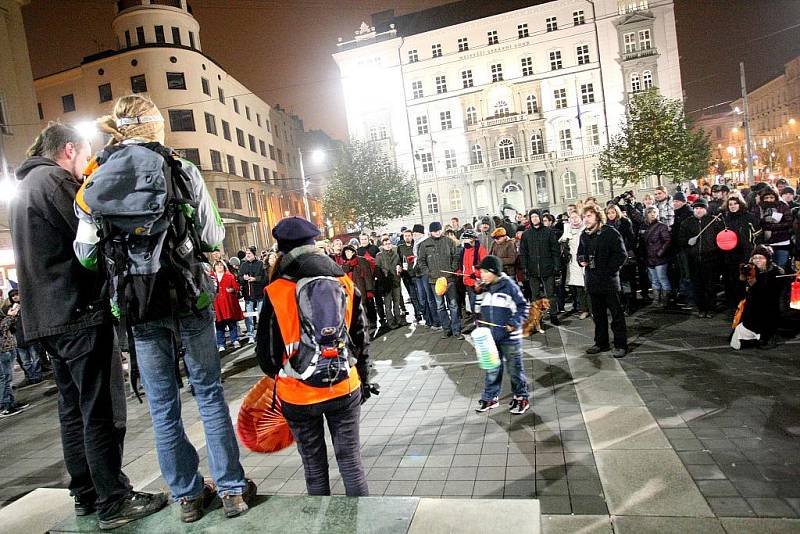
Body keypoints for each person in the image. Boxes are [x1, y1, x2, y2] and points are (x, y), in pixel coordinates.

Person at [74, 96, 253, 523]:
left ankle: (187, 496)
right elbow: (211, 236)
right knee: (208, 393)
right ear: (155, 128)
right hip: (189, 296)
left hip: (138, 306)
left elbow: (85, 254)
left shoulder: (95, 179)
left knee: (161, 404)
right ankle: (231, 490)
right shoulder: (181, 169)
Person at [10, 121, 167, 528]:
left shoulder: (25, 186)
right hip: (78, 312)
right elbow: (88, 237)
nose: (83, 167)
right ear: (67, 150)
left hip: (47, 318)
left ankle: (86, 494)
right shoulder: (56, 182)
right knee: (101, 410)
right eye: (82, 157)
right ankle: (114, 500)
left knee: (72, 410)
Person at [256, 216, 371, 497]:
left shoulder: (277, 290)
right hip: (344, 385)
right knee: (351, 463)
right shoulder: (343, 280)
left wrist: (288, 371)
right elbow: (362, 337)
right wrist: (364, 379)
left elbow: (266, 355)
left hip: (298, 394)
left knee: (314, 467)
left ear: (282, 250)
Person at [474, 255, 530, 415]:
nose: (481, 275)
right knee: (492, 367)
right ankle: (490, 397)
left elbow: (523, 307)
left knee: (514, 369)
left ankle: (521, 397)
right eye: (481, 272)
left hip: (509, 337)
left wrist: (513, 323)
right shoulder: (485, 287)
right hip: (491, 337)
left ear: (494, 272)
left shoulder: (509, 286)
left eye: (485, 272)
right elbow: (480, 309)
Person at [578, 205, 628, 358]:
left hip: (608, 281)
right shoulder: (584, 235)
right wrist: (581, 261)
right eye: (584, 217)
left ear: (597, 216)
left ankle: (620, 344)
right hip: (593, 281)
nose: (586, 219)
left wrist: (609, 271)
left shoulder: (610, 232)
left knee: (616, 315)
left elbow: (621, 255)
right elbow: (580, 254)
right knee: (598, 316)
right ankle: (601, 343)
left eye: (589, 216)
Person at [731, 245, 785, 349]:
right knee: (737, 342)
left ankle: (769, 336)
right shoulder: (751, 270)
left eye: (761, 258)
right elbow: (742, 291)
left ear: (767, 259)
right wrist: (743, 278)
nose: (757, 260)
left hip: (769, 309)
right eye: (755, 258)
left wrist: (754, 283)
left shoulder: (775, 272)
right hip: (753, 310)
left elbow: (769, 293)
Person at [678, 198, 724, 318]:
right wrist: (688, 241)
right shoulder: (687, 223)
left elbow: (721, 240)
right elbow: (681, 240)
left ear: (706, 209)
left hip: (710, 259)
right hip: (694, 259)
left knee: (710, 285)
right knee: (697, 286)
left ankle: (711, 308)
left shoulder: (714, 221)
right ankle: (701, 308)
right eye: (696, 208)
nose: (698, 210)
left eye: (701, 208)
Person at [419, 221, 463, 339]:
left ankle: (456, 330)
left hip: (449, 279)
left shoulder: (449, 242)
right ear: (430, 232)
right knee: (440, 306)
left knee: (453, 305)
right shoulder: (424, 244)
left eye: (439, 230)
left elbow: (456, 257)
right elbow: (421, 261)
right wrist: (429, 273)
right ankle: (446, 329)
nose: (437, 232)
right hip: (435, 281)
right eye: (435, 231)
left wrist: (452, 268)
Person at [520, 209, 561, 326]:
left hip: (547, 268)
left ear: (540, 217)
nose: (534, 219)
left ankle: (553, 315)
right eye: (532, 217)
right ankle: (537, 317)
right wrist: (525, 268)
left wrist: (556, 265)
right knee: (535, 295)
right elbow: (523, 253)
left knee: (551, 294)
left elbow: (555, 250)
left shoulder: (548, 232)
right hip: (532, 270)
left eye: (536, 216)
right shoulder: (526, 234)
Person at [722, 195, 760, 309]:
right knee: (731, 280)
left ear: (740, 204)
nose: (733, 206)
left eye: (735, 204)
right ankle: (733, 306)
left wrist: (753, 249)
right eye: (730, 204)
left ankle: (745, 305)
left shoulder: (749, 217)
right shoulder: (726, 219)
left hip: (745, 253)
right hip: (729, 254)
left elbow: (757, 234)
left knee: (743, 280)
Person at [5, 289, 43, 384]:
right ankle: (31, 376)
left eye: (16, 294)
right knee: (25, 361)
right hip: (19, 338)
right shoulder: (10, 309)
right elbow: (8, 324)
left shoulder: (27, 305)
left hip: (31, 336)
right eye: (13, 296)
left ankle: (37, 376)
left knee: (36, 358)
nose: (15, 297)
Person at [752, 187, 793, 270]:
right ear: (762, 198)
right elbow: (754, 223)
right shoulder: (757, 207)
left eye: (771, 197)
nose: (769, 200)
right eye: (766, 198)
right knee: (765, 269)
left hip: (782, 242)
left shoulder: (782, 206)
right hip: (764, 243)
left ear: (775, 197)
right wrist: (764, 220)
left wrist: (770, 227)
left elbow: (789, 222)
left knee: (780, 268)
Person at [0, 301, 29, 417]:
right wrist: (11, 316)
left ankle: (10, 403)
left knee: (7, 378)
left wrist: (13, 315)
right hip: (2, 349)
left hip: (7, 346)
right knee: (3, 379)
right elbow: (2, 327)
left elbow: (8, 327)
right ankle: (4, 406)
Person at [559, 212, 589, 319]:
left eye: (576, 217)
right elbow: (561, 242)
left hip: (585, 259)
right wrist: (564, 240)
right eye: (572, 218)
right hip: (573, 262)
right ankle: (584, 309)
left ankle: (593, 309)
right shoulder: (568, 230)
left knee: (588, 285)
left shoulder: (585, 228)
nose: (574, 219)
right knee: (578, 286)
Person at [341, 245, 377, 333]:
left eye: (349, 251)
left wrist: (369, 290)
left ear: (353, 252)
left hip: (362, 288)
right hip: (350, 290)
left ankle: (368, 323)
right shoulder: (345, 265)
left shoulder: (361, 260)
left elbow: (367, 275)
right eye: (346, 252)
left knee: (364, 306)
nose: (348, 254)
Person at [641, 207, 673, 306]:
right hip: (650, 258)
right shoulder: (645, 227)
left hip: (660, 258)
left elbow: (667, 240)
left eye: (654, 212)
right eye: (650, 212)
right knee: (654, 280)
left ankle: (665, 300)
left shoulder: (661, 226)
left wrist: (660, 253)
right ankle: (656, 300)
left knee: (662, 278)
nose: (652, 214)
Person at [411, 224, 439, 329]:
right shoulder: (416, 244)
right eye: (413, 233)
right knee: (422, 298)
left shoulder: (426, 243)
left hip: (425, 274)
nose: (414, 235)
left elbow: (426, 259)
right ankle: (428, 320)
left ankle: (436, 321)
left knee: (429, 297)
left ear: (422, 233)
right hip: (418, 273)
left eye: (416, 233)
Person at [213, 261, 244, 352]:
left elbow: (237, 288)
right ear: (214, 267)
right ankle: (221, 343)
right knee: (219, 324)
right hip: (217, 304)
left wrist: (232, 289)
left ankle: (235, 340)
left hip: (229, 303)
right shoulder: (211, 277)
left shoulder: (229, 276)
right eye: (217, 265)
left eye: (221, 265)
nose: (219, 267)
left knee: (232, 323)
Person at [375, 237, 405, 331]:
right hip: (386, 283)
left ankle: (398, 320)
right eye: (386, 244)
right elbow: (377, 269)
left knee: (397, 303)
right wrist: (382, 280)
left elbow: (399, 264)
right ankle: (391, 323)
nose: (388, 245)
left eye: (389, 243)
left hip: (396, 281)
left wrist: (400, 269)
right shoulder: (379, 255)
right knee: (388, 305)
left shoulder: (395, 254)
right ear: (382, 246)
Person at [239, 247, 267, 342]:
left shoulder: (260, 264)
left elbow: (264, 278)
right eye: (246, 254)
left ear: (254, 254)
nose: (247, 255)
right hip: (248, 294)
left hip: (259, 293)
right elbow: (239, 278)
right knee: (249, 316)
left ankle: (262, 333)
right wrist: (243, 278)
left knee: (261, 314)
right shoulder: (243, 265)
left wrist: (255, 279)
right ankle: (251, 335)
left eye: (249, 253)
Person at [459, 230, 487, 318]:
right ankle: (477, 323)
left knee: (479, 306)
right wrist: (460, 272)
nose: (464, 241)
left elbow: (485, 266)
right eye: (464, 239)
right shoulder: (464, 250)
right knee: (472, 306)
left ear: (473, 239)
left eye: (466, 239)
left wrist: (476, 274)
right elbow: (464, 265)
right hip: (468, 282)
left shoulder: (480, 250)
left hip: (478, 282)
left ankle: (483, 324)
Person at [397, 229, 422, 323]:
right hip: (406, 275)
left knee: (420, 294)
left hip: (416, 274)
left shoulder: (416, 245)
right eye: (405, 236)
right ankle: (417, 313)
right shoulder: (400, 247)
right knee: (412, 295)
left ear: (412, 236)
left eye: (409, 235)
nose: (407, 237)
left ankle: (422, 311)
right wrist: (399, 267)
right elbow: (398, 260)